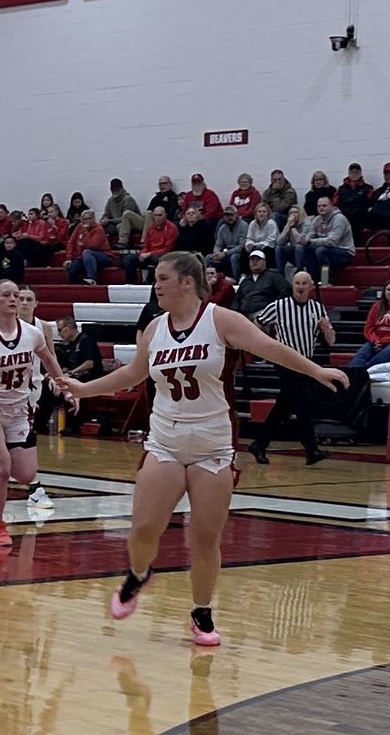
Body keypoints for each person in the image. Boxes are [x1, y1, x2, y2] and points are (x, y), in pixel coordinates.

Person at [59, 252, 348, 645]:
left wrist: (316, 370)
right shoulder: (154, 328)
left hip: (213, 441)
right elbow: (132, 373)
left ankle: (202, 612)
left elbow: (269, 346)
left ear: (186, 282)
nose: (156, 285)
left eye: (162, 278)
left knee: (204, 536)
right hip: (165, 438)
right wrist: (84, 389)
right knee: (145, 526)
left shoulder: (220, 319)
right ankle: (140, 573)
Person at [0, 279, 71, 548]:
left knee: (25, 474)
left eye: (16, 296)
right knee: (2, 469)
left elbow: (49, 359)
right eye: (6, 295)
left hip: (20, 411)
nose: (13, 300)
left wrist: (66, 388)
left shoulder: (32, 333)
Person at [248, 272, 337, 466]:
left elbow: (331, 341)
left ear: (311, 286)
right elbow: (257, 323)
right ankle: (310, 449)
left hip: (306, 362)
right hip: (284, 360)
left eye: (304, 283)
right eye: (297, 283)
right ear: (292, 285)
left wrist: (327, 328)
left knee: (288, 404)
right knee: (301, 401)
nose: (300, 286)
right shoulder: (279, 306)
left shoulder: (317, 308)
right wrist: (262, 347)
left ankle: (260, 443)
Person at [17, 286, 58, 508]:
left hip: (34, 386)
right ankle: (34, 485)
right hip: (9, 389)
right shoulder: (5, 327)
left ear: (36, 303)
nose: (24, 302)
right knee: (21, 435)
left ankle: (32, 484)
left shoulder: (43, 327)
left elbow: (50, 357)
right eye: (20, 298)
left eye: (28, 299)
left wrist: (59, 380)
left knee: (26, 434)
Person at [349, 280, 390, 369]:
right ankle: (353, 373)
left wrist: (384, 341)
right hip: (377, 341)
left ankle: (364, 371)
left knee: (389, 351)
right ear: (384, 293)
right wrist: (375, 340)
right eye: (389, 289)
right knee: (362, 353)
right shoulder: (376, 306)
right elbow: (368, 328)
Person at [306, 196, 356, 286]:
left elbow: (332, 241)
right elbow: (310, 234)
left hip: (344, 252)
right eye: (319, 206)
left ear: (332, 206)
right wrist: (304, 239)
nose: (321, 208)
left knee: (321, 250)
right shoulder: (317, 219)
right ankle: (312, 279)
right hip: (327, 250)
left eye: (324, 206)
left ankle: (327, 280)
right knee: (303, 249)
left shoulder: (339, 219)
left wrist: (310, 241)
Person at [123, 206, 178, 284]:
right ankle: (131, 284)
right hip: (149, 255)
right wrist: (143, 253)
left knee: (159, 259)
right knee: (129, 259)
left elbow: (168, 249)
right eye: (156, 215)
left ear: (165, 215)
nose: (158, 218)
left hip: (162, 256)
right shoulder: (151, 227)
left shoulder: (172, 228)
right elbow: (146, 245)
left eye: (160, 215)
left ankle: (151, 282)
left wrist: (149, 254)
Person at [232, 250, 290, 319]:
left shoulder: (274, 276)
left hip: (265, 315)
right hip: (244, 317)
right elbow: (237, 300)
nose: (255, 261)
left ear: (264, 262)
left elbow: (286, 290)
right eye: (252, 260)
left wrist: (272, 308)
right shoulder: (245, 281)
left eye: (258, 259)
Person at [65, 209, 114, 285]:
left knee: (87, 252)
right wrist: (69, 258)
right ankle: (76, 290)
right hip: (83, 257)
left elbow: (93, 245)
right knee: (72, 268)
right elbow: (71, 242)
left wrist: (86, 231)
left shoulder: (99, 229)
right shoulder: (79, 227)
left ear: (93, 219)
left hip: (103, 256)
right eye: (84, 219)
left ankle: (92, 278)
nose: (86, 221)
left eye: (88, 218)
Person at [334, 163, 373, 241]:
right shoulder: (341, 189)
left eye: (357, 172)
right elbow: (335, 204)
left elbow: (371, 203)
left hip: (360, 216)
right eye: (352, 172)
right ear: (348, 173)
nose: (354, 174)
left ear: (360, 173)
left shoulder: (367, 188)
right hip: (344, 216)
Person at [100, 177, 143, 247]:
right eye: (113, 189)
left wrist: (109, 221)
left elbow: (126, 218)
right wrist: (104, 220)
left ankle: (124, 243)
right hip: (114, 223)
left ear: (122, 188)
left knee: (120, 226)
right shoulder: (110, 200)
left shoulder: (128, 199)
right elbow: (106, 214)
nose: (115, 191)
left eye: (117, 189)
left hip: (130, 225)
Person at [274, 205, 312, 278]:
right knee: (279, 247)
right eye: (291, 213)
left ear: (300, 214)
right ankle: (280, 274)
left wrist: (293, 228)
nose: (293, 215)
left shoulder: (306, 224)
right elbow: (279, 241)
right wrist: (287, 227)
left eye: (296, 212)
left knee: (299, 247)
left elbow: (301, 241)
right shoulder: (290, 224)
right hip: (293, 253)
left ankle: (299, 270)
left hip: (305, 253)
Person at [242, 202, 278, 267]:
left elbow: (271, 240)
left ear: (268, 213)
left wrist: (256, 244)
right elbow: (249, 237)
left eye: (264, 212)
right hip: (255, 246)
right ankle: (245, 274)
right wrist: (249, 244)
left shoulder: (271, 223)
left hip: (267, 247)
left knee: (267, 250)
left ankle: (267, 271)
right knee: (244, 250)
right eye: (259, 212)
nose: (261, 214)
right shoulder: (252, 223)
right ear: (256, 213)